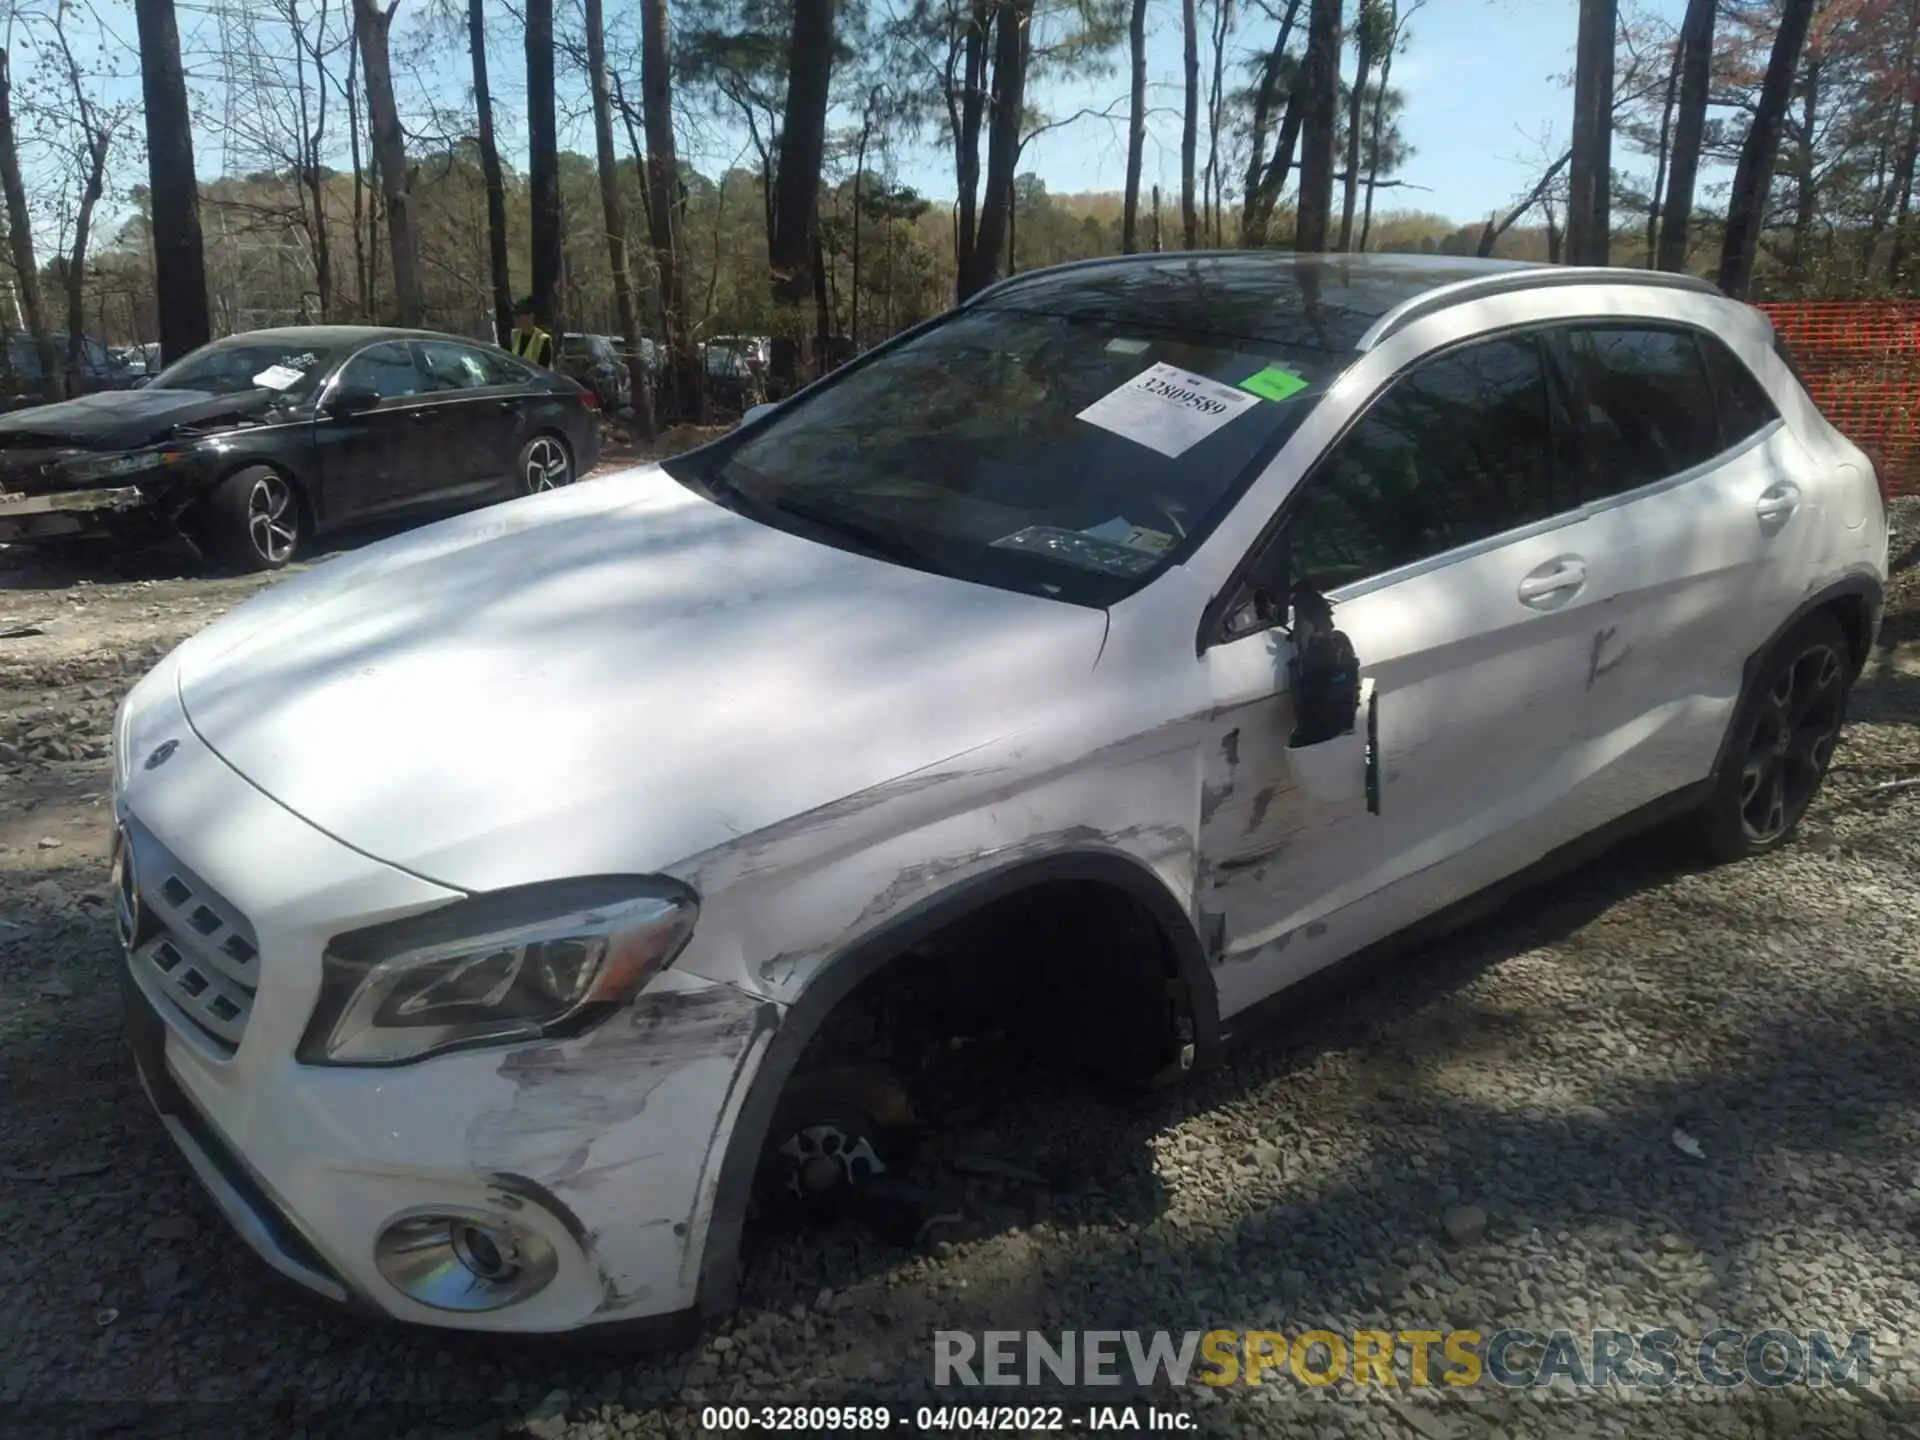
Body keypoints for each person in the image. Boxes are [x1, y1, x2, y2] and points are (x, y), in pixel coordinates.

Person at [508, 299, 553, 368]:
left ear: (531, 316)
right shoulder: (514, 334)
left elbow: (543, 368)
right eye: (514, 315)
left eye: (519, 315)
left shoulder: (543, 339)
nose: (516, 319)